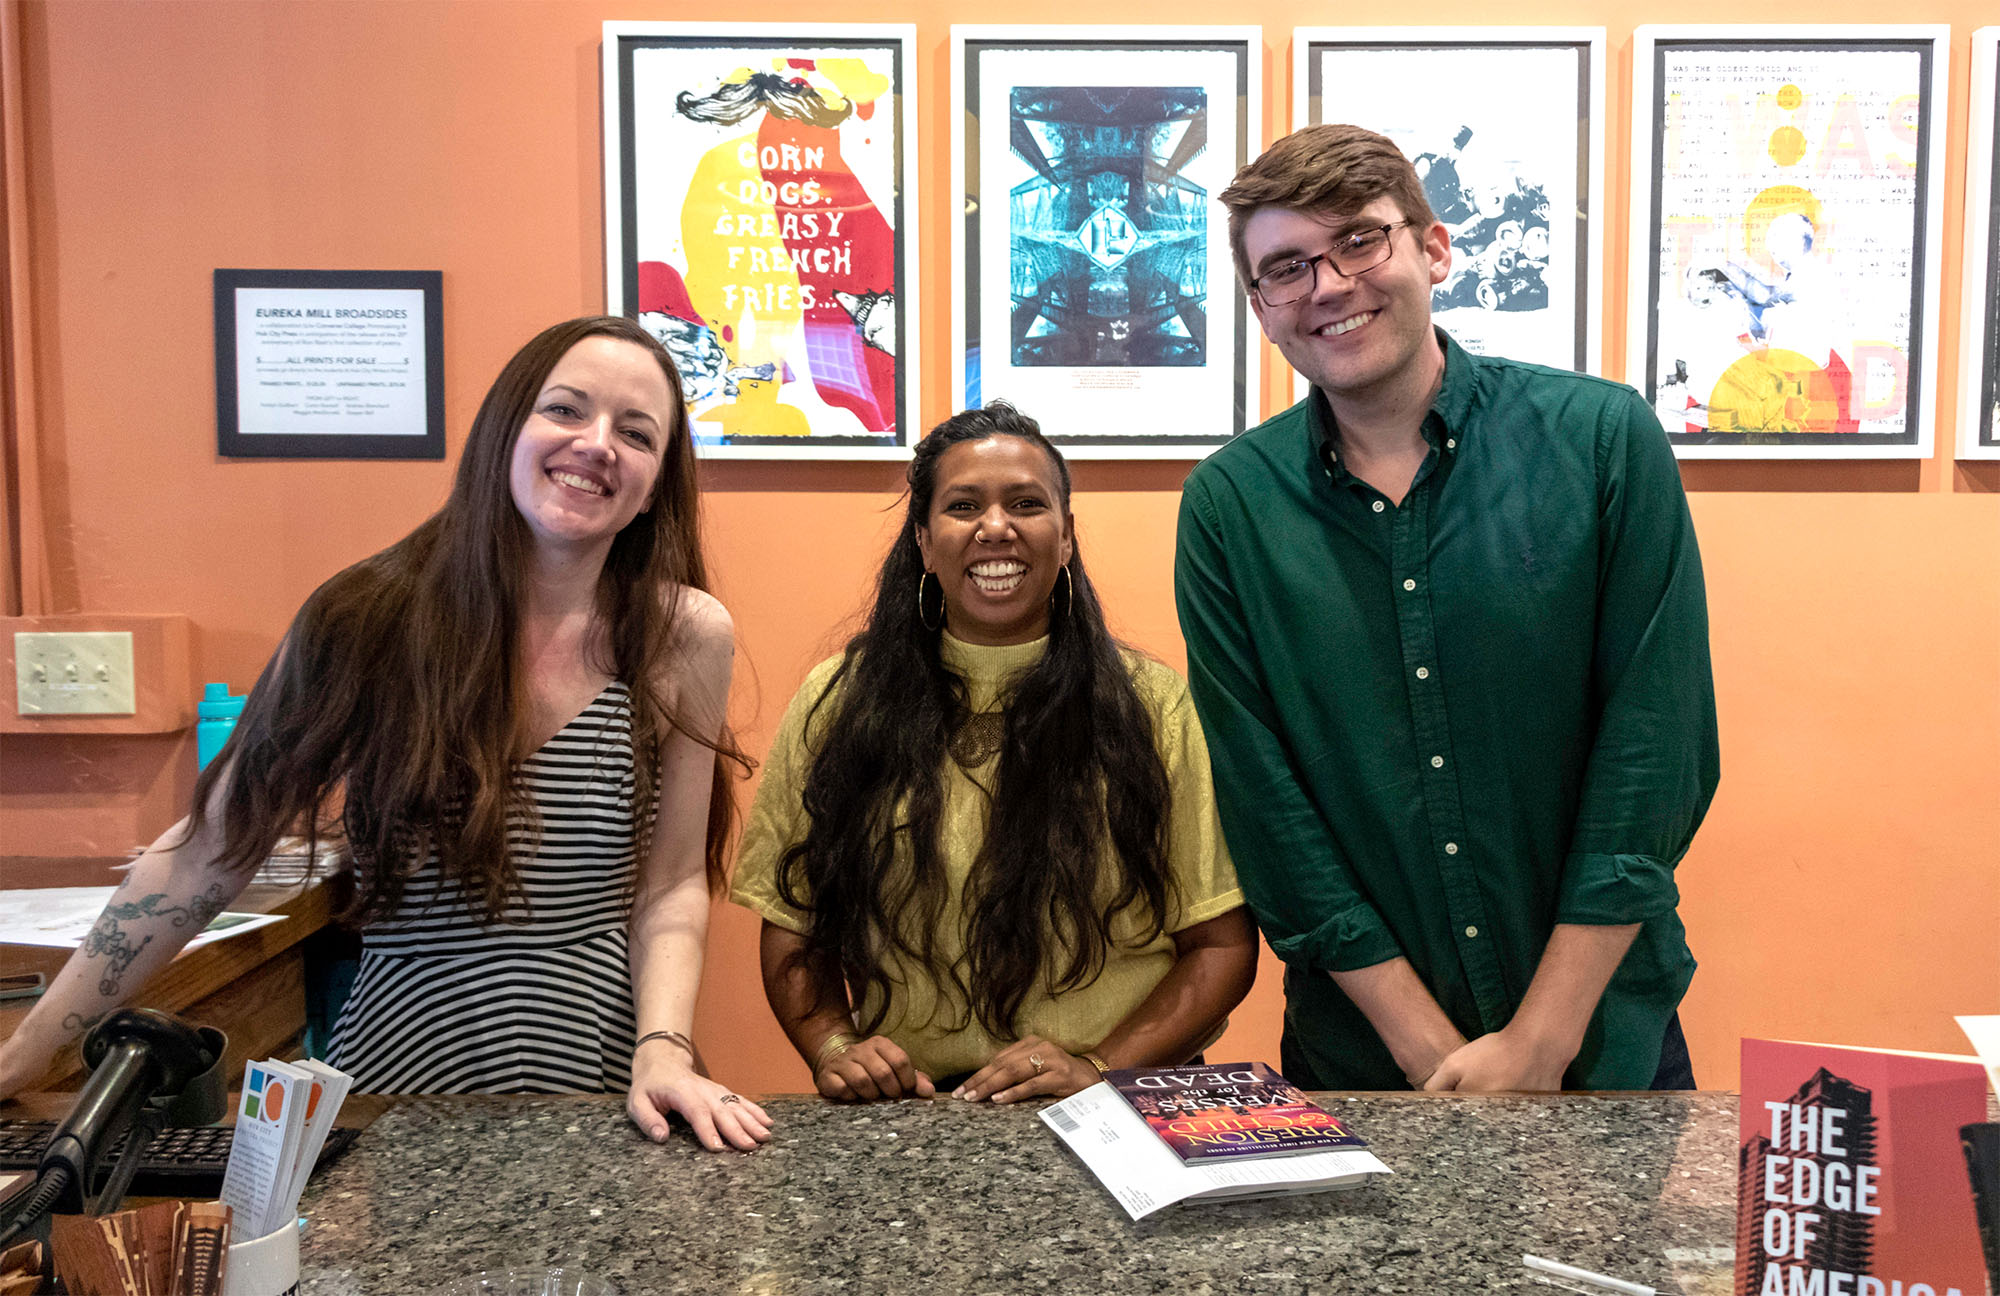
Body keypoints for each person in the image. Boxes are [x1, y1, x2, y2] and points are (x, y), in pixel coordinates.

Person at [0, 316, 773, 1152]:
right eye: (565, 411)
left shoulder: (683, 634)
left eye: (635, 432)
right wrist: (18, 1062)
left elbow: (670, 887)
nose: (596, 444)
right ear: (502, 433)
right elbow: (204, 852)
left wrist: (664, 1052)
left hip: (609, 1084)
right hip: (395, 1088)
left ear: (656, 484)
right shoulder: (364, 616)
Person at [1175, 124, 1719, 1093]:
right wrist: (1427, 1050)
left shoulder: (1600, 441)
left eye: (1358, 241)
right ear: (1260, 308)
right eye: (1285, 268)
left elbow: (1654, 747)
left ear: (1431, 247)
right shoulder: (1229, 505)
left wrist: (1538, 1042)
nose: (1329, 285)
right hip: (1367, 1061)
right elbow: (1265, 801)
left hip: (1598, 1044)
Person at [732, 403, 1257, 1103]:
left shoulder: (1153, 706)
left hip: (1119, 1102)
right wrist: (835, 1045)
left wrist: (1099, 1068)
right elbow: (796, 930)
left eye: (1026, 504)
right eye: (963, 506)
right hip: (920, 1109)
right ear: (923, 540)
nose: (996, 528)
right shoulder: (840, 701)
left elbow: (1220, 947)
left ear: (1066, 537)